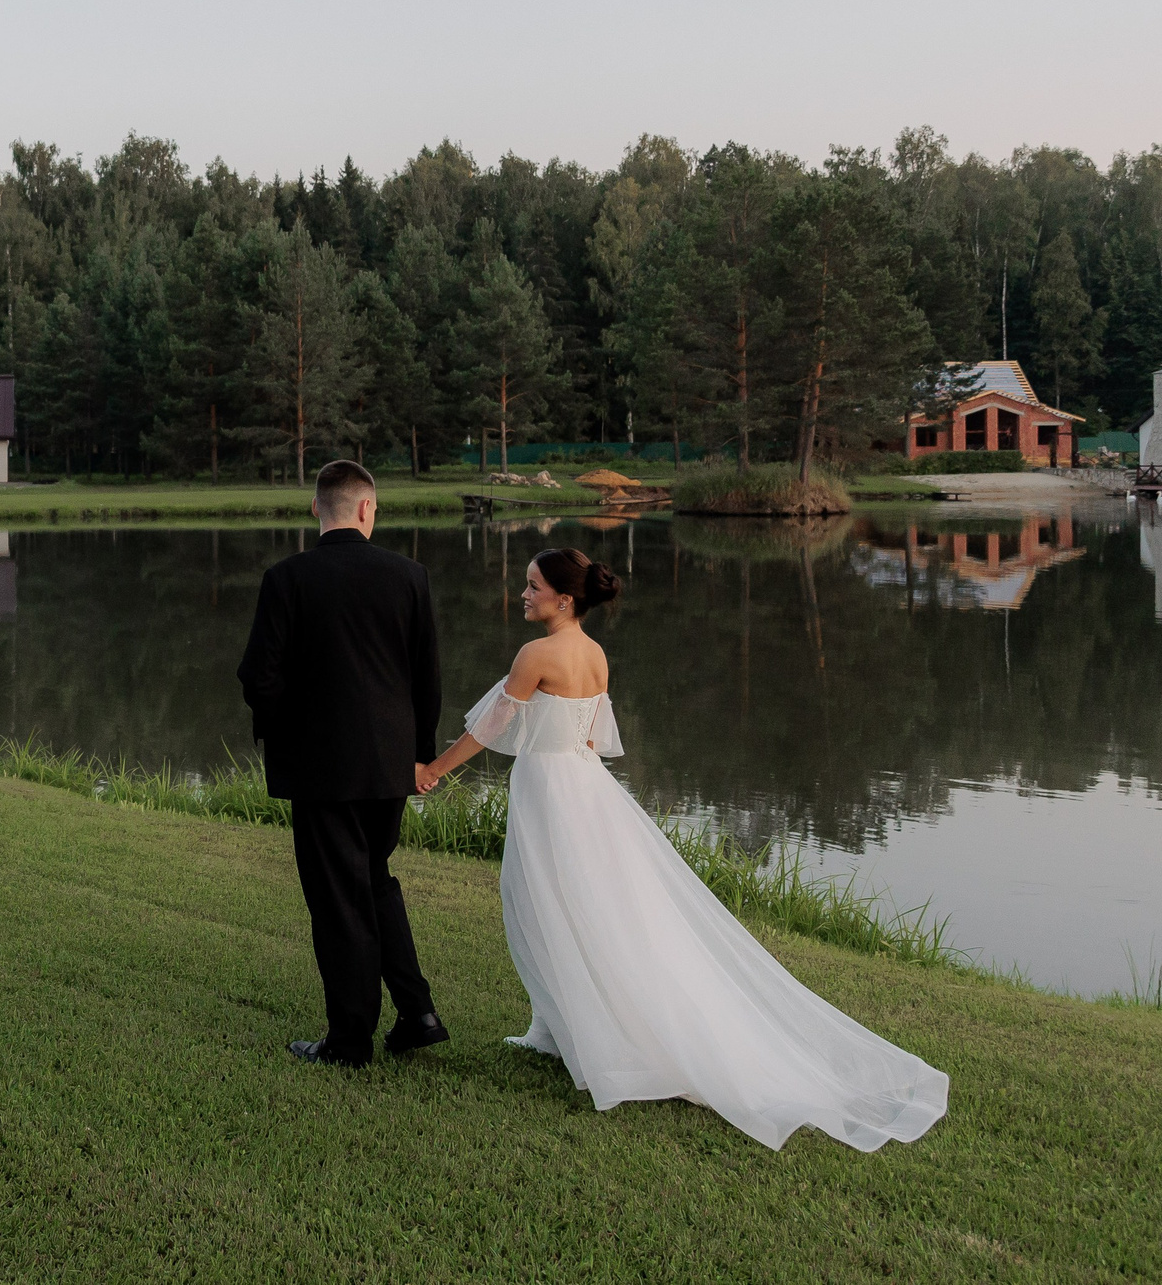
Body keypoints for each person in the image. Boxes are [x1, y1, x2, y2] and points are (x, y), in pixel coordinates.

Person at [420, 545, 948, 1151]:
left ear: (564, 598)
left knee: (551, 905)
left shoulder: (537, 654)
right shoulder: (594, 654)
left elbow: (490, 728)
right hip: (583, 786)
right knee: (576, 905)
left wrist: (434, 769)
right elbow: (591, 737)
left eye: (534, 585)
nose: (524, 592)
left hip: (553, 790)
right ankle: (556, 1025)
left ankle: (602, 1037)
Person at [235, 459, 448, 1067]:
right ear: (365, 508)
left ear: (316, 510)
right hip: (389, 767)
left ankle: (350, 1041)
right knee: (372, 880)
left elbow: (259, 677)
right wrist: (418, 755)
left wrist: (289, 732)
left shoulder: (287, 577)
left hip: (321, 770)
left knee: (338, 900)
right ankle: (418, 1013)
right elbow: (426, 679)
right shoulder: (410, 576)